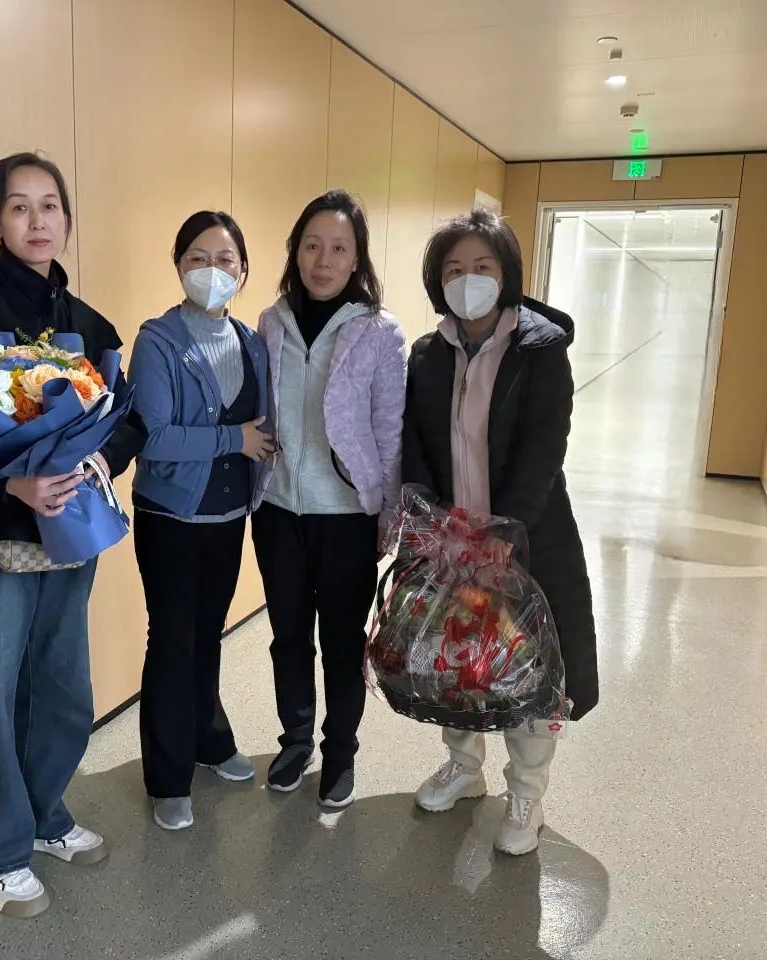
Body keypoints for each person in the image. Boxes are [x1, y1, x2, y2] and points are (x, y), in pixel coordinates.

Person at [0, 152, 143, 917]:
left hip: (68, 535)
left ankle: (44, 814)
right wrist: (10, 485)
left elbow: (128, 417)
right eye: (19, 207)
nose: (37, 220)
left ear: (67, 221)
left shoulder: (88, 324)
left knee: (62, 691)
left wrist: (99, 459)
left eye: (49, 205)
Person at [400, 209, 598, 855]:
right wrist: (429, 522)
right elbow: (416, 442)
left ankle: (527, 795)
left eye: (482, 266)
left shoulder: (541, 351)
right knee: (453, 661)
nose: (468, 280)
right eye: (454, 269)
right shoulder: (428, 353)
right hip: (450, 543)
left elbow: (545, 449)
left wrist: (503, 535)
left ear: (507, 273)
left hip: (526, 539)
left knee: (528, 668)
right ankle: (464, 767)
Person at [252, 189, 407, 809]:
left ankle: (340, 753)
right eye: (312, 245)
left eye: (339, 248)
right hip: (278, 509)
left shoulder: (379, 331)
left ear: (356, 258)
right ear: (296, 251)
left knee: (343, 643)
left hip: (347, 515)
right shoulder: (271, 322)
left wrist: (387, 514)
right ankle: (295, 741)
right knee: (288, 636)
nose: (324, 260)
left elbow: (389, 430)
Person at [128, 212, 273, 831]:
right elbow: (154, 438)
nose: (212, 271)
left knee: (208, 632)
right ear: (178, 265)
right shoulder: (157, 341)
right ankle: (167, 776)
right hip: (170, 516)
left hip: (228, 514)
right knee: (172, 639)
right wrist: (233, 439)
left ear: (243, 271)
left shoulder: (251, 341)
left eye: (225, 260)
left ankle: (208, 740)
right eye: (198, 258)